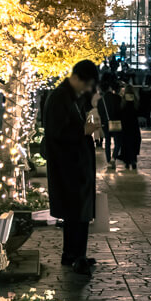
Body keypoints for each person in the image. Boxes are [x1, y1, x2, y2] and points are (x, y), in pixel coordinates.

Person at [40, 60, 100, 275]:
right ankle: (76, 256)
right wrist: (85, 131)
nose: (86, 89)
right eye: (86, 84)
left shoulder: (69, 96)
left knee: (77, 213)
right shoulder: (59, 98)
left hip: (74, 166)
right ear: (77, 78)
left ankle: (73, 254)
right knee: (76, 213)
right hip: (69, 167)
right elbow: (58, 133)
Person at [116, 85, 142, 170]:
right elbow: (138, 111)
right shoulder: (135, 100)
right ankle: (133, 160)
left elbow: (120, 112)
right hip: (134, 125)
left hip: (125, 125)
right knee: (134, 142)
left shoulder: (123, 100)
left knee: (126, 143)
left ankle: (127, 162)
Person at [100, 80, 122, 171]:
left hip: (105, 123)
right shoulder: (117, 98)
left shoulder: (100, 100)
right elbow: (121, 110)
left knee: (107, 142)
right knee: (118, 142)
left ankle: (109, 161)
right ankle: (113, 158)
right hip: (116, 122)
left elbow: (100, 113)